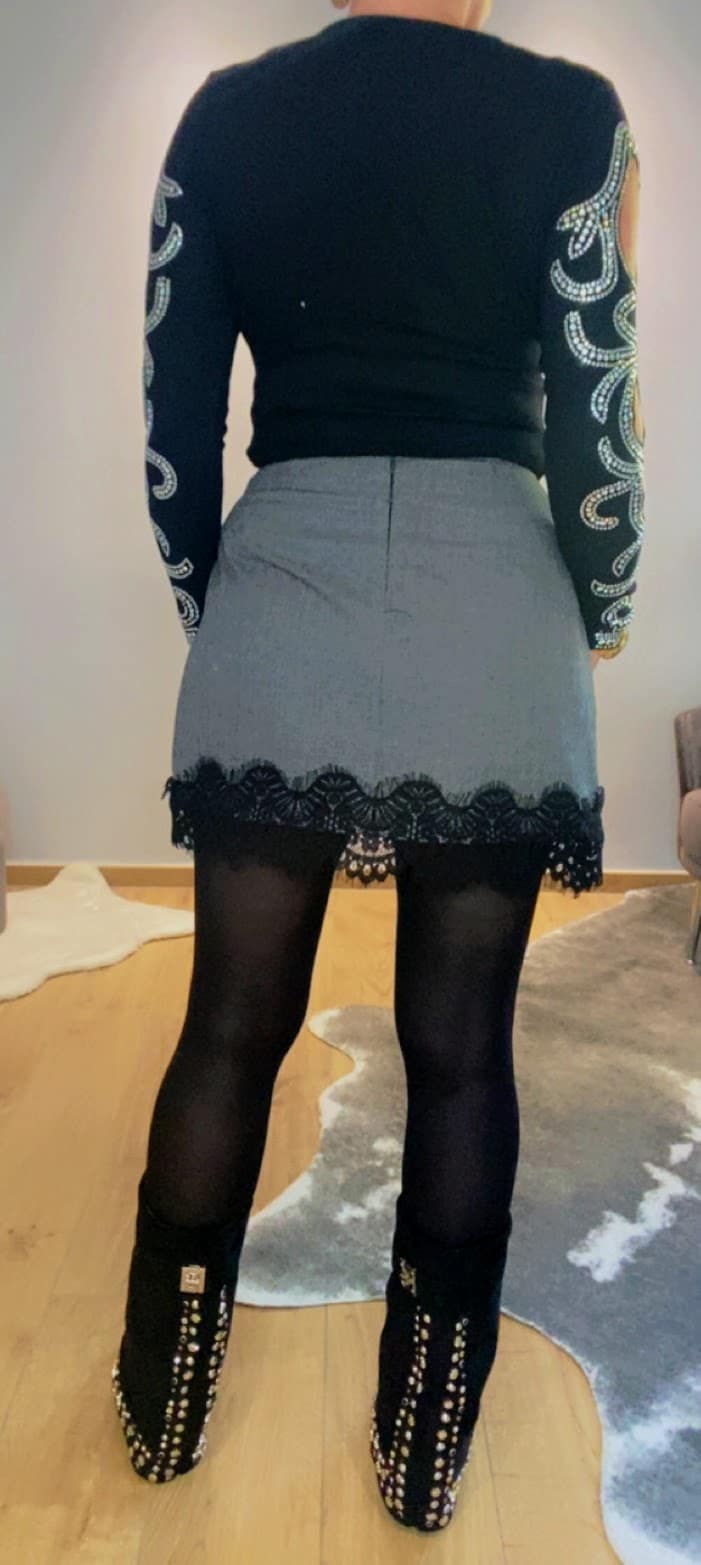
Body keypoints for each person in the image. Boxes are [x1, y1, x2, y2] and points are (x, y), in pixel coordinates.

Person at [112, 0, 646, 1531]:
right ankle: (423, 1450)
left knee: (230, 1025)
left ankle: (159, 1405)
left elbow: (172, 415)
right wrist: (601, 606)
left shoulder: (227, 115)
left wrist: (218, 604)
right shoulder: (568, 112)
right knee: (462, 1049)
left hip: (284, 577)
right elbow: (595, 415)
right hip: (495, 600)